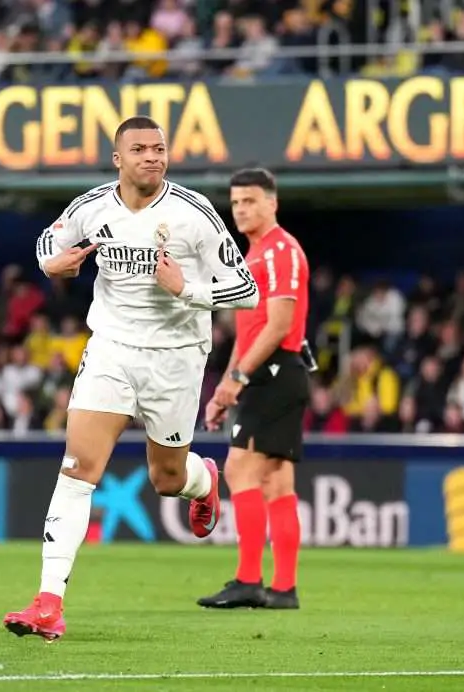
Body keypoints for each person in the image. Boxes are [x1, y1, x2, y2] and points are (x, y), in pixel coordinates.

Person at [3, 116, 260, 641]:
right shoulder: (92, 206)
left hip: (176, 357)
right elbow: (46, 242)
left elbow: (248, 289)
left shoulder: (195, 215)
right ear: (118, 159)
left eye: (159, 148)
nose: (152, 156)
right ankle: (49, 601)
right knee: (77, 468)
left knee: (166, 479)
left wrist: (186, 288)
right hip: (111, 351)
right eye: (140, 149)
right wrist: (54, 264)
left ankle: (203, 480)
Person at [198, 168, 310, 611]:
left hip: (276, 371)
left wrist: (240, 378)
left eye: (250, 201)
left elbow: (279, 324)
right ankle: (283, 589)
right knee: (277, 482)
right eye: (236, 202)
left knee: (239, 470)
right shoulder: (253, 255)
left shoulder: (283, 251)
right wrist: (227, 383)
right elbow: (248, 332)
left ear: (272, 203)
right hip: (268, 370)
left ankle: (248, 579)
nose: (241, 209)